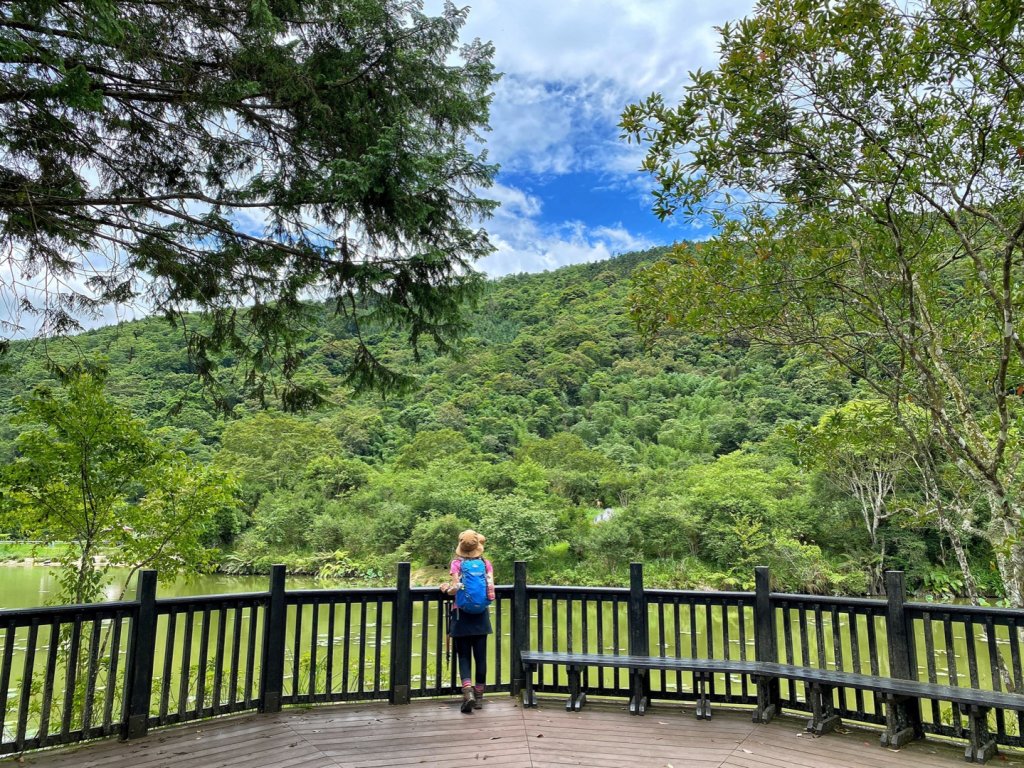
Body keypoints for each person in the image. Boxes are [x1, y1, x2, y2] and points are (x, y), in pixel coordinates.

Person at [439, 529, 495, 713]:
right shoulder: (486, 564)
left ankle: (468, 693)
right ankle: (479, 697)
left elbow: (455, 589)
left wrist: (445, 588)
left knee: (463, 656)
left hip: (461, 614)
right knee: (481, 657)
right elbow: (490, 589)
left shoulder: (457, 564)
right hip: (481, 614)